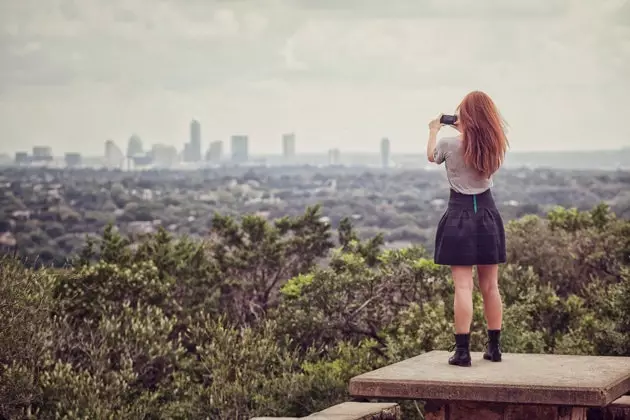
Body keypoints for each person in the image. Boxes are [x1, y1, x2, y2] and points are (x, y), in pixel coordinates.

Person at [426, 90, 509, 367]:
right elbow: (477, 156)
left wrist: (434, 130)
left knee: (463, 286)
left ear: (466, 115)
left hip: (459, 214)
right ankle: (494, 348)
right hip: (487, 214)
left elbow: (431, 157)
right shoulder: (494, 144)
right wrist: (466, 127)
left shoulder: (448, 142)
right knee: (490, 286)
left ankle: (462, 353)